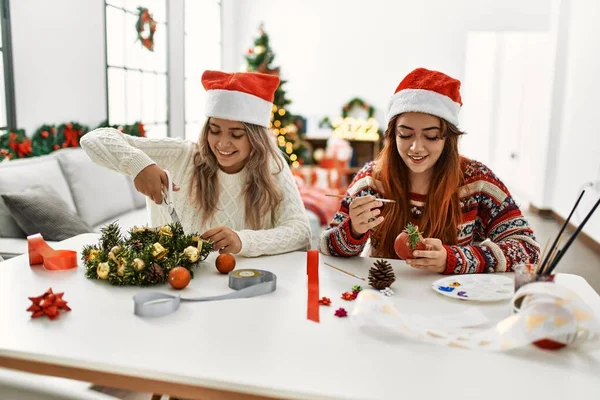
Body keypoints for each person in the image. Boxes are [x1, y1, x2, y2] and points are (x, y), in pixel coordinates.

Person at [320, 67, 540, 274]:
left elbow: (528, 250)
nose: (416, 148)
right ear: (392, 135)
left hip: (454, 300)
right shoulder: (371, 181)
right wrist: (354, 231)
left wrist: (455, 258)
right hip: (385, 297)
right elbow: (327, 247)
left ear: (448, 138)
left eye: (431, 136)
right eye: (405, 135)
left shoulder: (477, 181)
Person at [81, 70, 311, 257]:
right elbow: (93, 139)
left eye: (236, 135)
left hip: (242, 281)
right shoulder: (181, 155)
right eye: (214, 130)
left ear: (255, 138)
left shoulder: (273, 165)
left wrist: (244, 240)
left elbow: (300, 232)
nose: (222, 143)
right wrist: (137, 164)